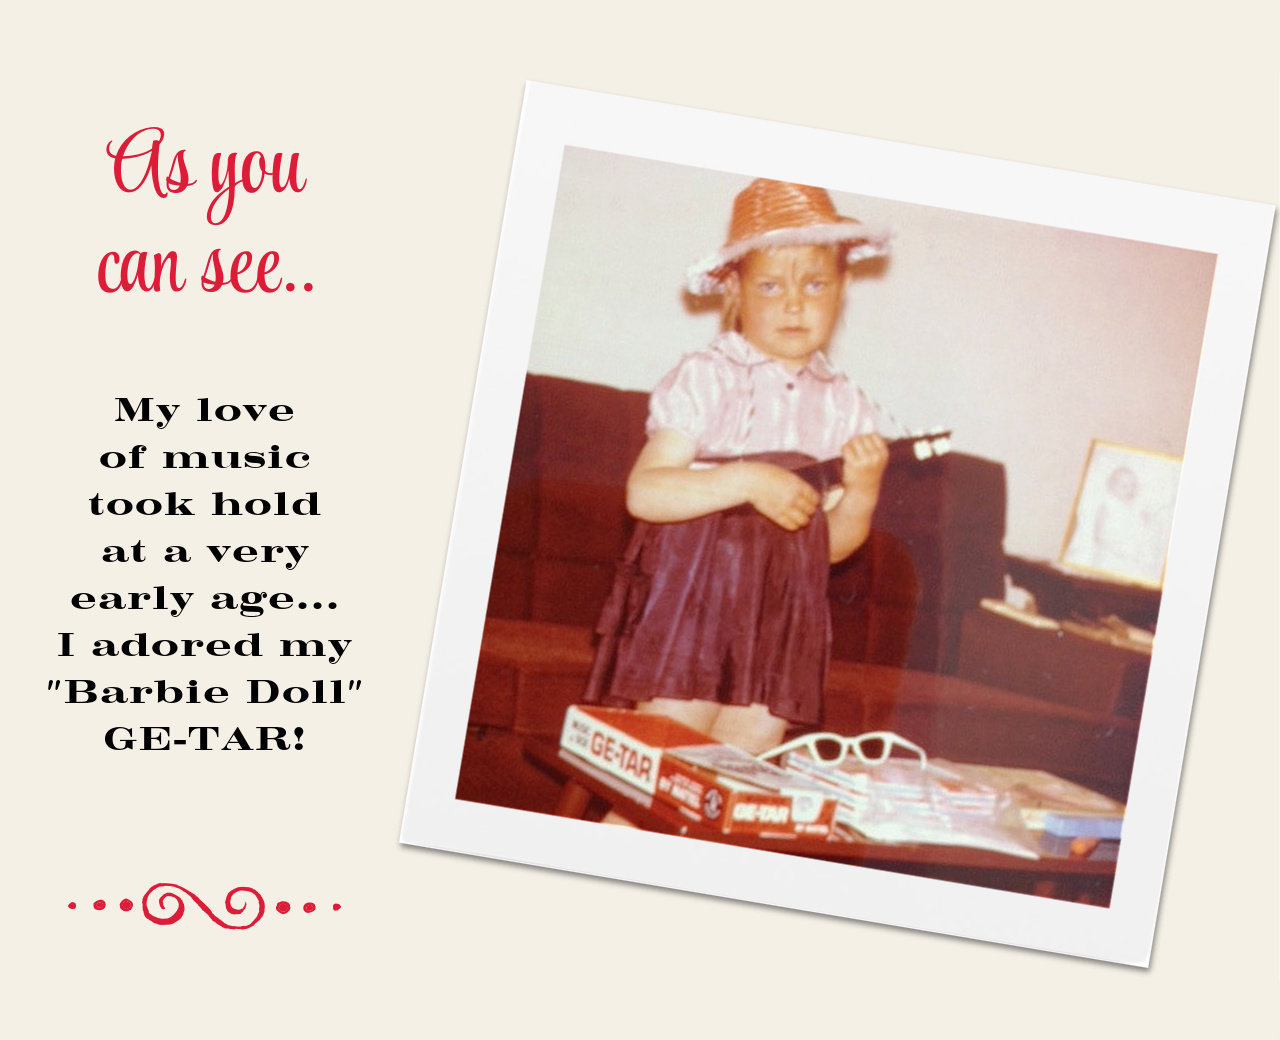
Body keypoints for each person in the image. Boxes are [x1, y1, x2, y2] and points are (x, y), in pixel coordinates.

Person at [583, 179, 891, 757]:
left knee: (733, 773)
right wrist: (747, 480)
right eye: (771, 286)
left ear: (843, 289)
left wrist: (863, 494)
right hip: (693, 609)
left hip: (778, 623)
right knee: (663, 765)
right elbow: (645, 494)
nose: (794, 303)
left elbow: (829, 549)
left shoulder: (847, 404)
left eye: (815, 283)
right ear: (734, 292)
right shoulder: (709, 376)